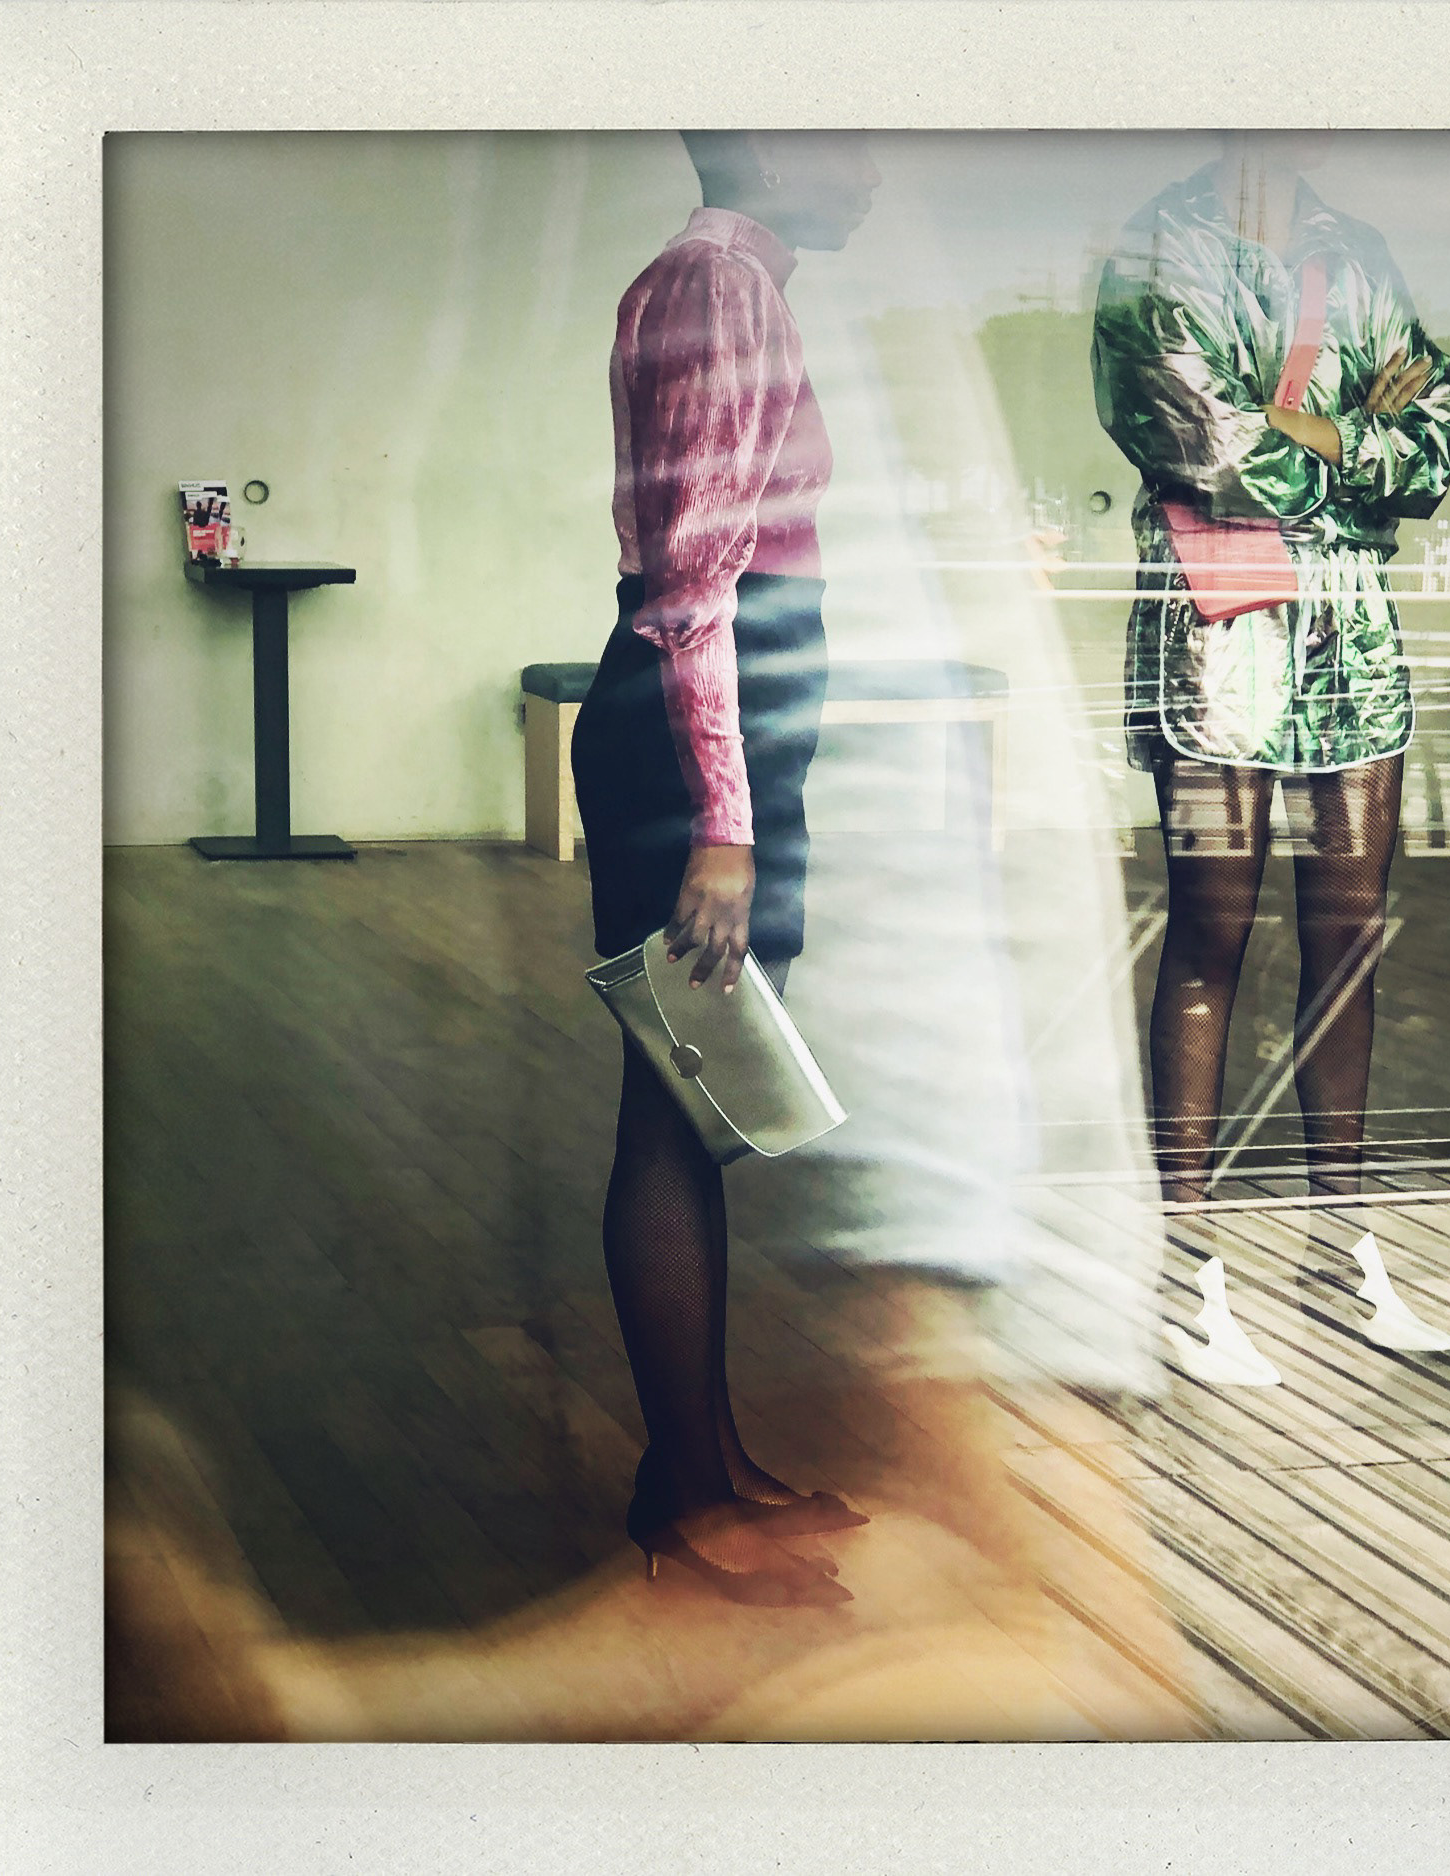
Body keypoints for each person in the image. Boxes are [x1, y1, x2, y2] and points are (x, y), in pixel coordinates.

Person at [1092, 132, 1450, 1354]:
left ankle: (1338, 1248)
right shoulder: (1158, 253)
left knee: (1348, 937)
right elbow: (1210, 452)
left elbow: (1438, 437)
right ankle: (1183, 1270)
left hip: (1350, 626)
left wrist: (1312, 432)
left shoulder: (1357, 253)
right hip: (1222, 620)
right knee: (1213, 931)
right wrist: (1351, 436)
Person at [570, 130, 880, 1603]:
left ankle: (708, 1461)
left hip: (715, 737)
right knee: (672, 1110)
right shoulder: (719, 287)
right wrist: (727, 825)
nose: (871, 162)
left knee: (700, 1104)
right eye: (845, 135)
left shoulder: (719, 280)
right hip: (700, 747)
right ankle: (688, 1496)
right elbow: (696, 586)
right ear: (765, 141)